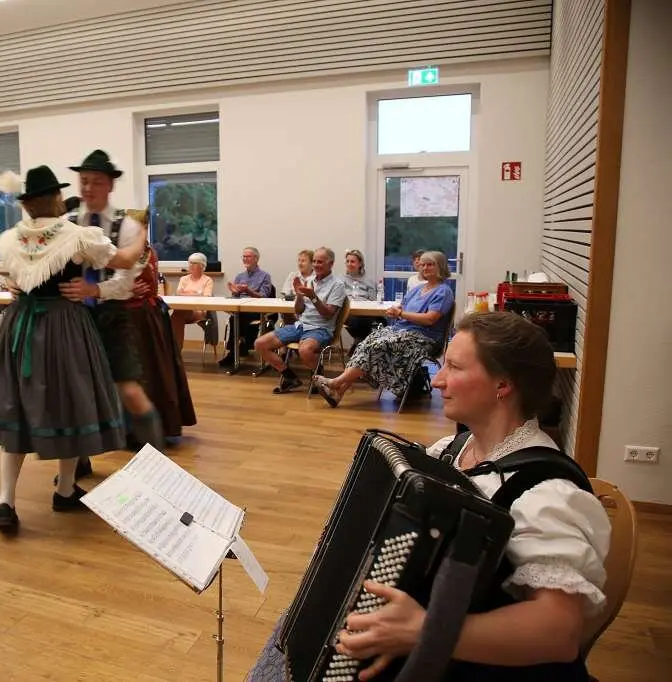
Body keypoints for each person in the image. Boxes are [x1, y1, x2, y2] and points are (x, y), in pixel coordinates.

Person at [248, 311, 610, 682]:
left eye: (454, 368)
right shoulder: (451, 450)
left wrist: (423, 630)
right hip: (424, 646)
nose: (437, 381)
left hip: (477, 667)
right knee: (296, 627)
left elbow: (559, 633)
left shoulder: (545, 492)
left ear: (503, 385)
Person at [0, 165, 146, 533]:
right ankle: (65, 490)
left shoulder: (10, 238)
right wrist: (140, 240)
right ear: (56, 199)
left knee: (17, 406)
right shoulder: (77, 235)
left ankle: (6, 500)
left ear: (27, 204)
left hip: (18, 327)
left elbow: (13, 280)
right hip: (63, 326)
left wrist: (18, 287)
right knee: (72, 400)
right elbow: (122, 261)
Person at [57, 150, 165, 464]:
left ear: (110, 186)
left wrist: (93, 289)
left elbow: (125, 280)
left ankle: (157, 468)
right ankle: (76, 467)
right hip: (74, 318)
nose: (88, 188)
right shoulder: (67, 222)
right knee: (77, 394)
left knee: (130, 391)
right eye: (84, 181)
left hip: (112, 316)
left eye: (96, 182)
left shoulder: (128, 226)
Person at [315, 250, 454, 407]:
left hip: (425, 338)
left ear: (440, 267)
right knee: (367, 343)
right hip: (402, 332)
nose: (425, 268)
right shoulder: (417, 289)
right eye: (423, 265)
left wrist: (401, 313)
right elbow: (402, 307)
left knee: (377, 346)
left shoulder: (443, 291)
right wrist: (395, 311)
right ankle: (339, 392)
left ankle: (335, 383)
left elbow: (430, 319)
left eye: (430, 265)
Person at [123, 210, 197, 441]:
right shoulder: (123, 253)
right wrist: (127, 290)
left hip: (150, 316)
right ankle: (133, 430)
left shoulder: (149, 251)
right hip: (131, 318)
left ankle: (157, 426)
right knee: (138, 373)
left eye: (143, 226)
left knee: (156, 371)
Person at [254, 247, 345, 393]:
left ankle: (319, 377)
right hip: (301, 325)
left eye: (320, 262)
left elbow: (328, 314)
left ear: (331, 264)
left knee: (304, 351)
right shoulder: (308, 281)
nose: (315, 265)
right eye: (314, 261)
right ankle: (290, 378)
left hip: (321, 328)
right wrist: (300, 296)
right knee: (260, 344)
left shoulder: (337, 285)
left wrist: (313, 297)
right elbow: (298, 311)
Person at [219, 247, 274, 367]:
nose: (245, 259)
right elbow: (235, 296)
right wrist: (234, 292)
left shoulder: (265, 276)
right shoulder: (240, 276)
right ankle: (239, 347)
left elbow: (264, 297)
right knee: (235, 317)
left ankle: (237, 350)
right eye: (243, 256)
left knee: (236, 318)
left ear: (256, 259)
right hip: (241, 308)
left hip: (257, 309)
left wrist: (248, 290)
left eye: (248, 256)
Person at [169, 252, 214, 350]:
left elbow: (206, 297)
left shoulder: (207, 280)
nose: (190, 265)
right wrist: (196, 293)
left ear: (202, 265)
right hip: (183, 309)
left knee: (176, 315)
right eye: (189, 263)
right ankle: (175, 350)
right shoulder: (184, 279)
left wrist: (187, 293)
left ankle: (175, 351)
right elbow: (178, 294)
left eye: (194, 263)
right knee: (178, 313)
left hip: (199, 311)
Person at [341, 248, 382, 349]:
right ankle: (360, 345)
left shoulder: (369, 281)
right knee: (356, 321)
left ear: (360, 263)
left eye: (353, 261)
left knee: (381, 321)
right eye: (348, 261)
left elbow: (373, 301)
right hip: (349, 312)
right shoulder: (340, 280)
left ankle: (358, 345)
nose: (350, 264)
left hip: (365, 312)